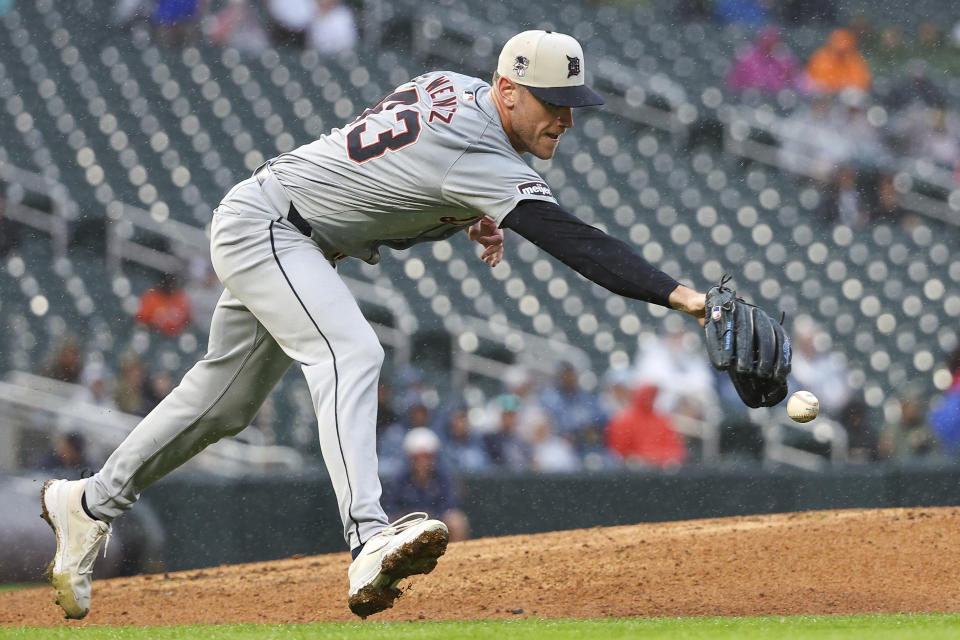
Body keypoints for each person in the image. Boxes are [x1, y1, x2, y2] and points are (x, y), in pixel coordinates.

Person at [41, 30, 708, 621]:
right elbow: (577, 242)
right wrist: (683, 297)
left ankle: (90, 503)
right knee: (350, 351)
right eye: (548, 101)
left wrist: (461, 210)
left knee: (222, 404)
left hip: (284, 225)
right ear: (507, 90)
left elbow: (399, 168)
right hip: (271, 227)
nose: (563, 117)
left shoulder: (454, 89)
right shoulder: (483, 154)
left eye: (570, 104)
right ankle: (367, 538)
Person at [384, 428, 470, 542]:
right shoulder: (400, 479)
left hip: (438, 522)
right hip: (408, 526)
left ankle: (456, 555)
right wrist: (413, 520)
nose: (423, 462)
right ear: (410, 459)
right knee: (387, 527)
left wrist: (432, 518)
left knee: (457, 520)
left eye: (427, 457)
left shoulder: (443, 477)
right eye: (417, 458)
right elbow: (391, 509)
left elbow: (450, 505)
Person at [805, 29, 871, 94]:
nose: (841, 46)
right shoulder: (821, 58)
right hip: (826, 94)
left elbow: (861, 82)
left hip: (846, 95)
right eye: (838, 41)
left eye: (844, 42)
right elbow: (815, 81)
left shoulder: (854, 59)